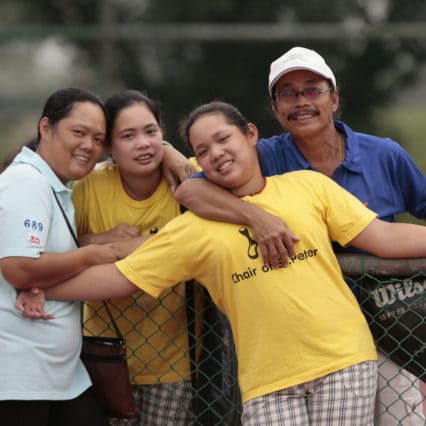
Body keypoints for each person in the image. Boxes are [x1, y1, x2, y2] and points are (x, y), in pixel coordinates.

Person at [17, 101, 426, 425]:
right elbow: (119, 278)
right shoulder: (195, 228)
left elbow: (384, 236)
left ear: (250, 135)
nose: (216, 154)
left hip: (343, 360)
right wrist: (42, 286)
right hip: (267, 381)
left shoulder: (309, 187)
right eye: (202, 151)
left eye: (223, 139)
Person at [174, 47, 426, 425]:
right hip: (307, 332)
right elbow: (191, 191)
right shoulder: (267, 156)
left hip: (389, 319)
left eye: (313, 90)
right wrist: (257, 217)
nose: (301, 102)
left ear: (334, 98)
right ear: (274, 109)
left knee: (403, 419)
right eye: (287, 94)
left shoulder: (383, 154)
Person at [0, 87, 125, 426]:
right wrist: (91, 255)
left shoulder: (53, 183)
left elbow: (40, 255)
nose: (89, 145)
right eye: (79, 132)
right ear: (45, 128)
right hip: (20, 380)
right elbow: (20, 267)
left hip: (61, 377)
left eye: (98, 138)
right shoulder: (27, 182)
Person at [72, 89, 195, 425]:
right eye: (128, 136)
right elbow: (55, 247)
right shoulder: (88, 187)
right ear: (108, 146)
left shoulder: (188, 179)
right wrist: (98, 240)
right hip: (104, 359)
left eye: (151, 132)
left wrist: (170, 152)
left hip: (176, 362)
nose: (143, 143)